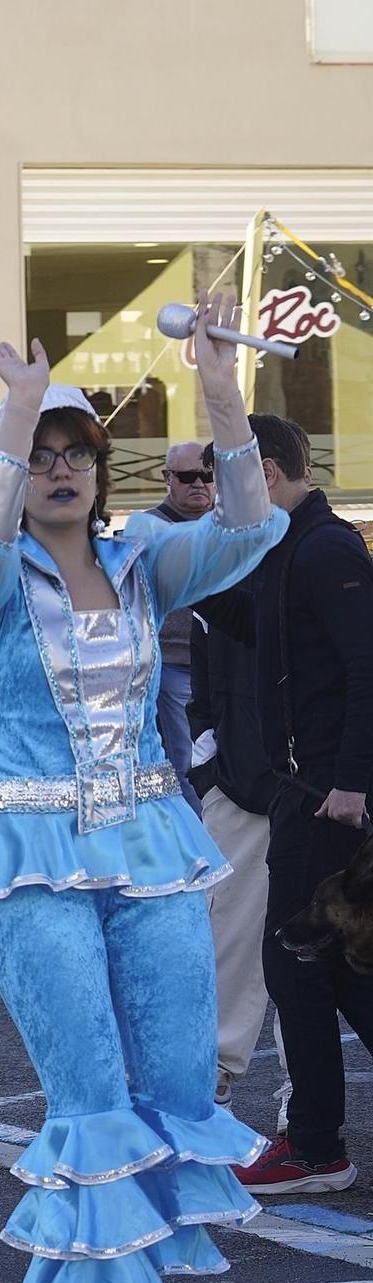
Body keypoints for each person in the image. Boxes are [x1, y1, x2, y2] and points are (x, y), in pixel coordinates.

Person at [0, 306, 283, 1283]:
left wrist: (218, 395)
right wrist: (13, 418)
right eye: (41, 456)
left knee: (173, 1084)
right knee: (87, 1092)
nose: (58, 469)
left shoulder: (144, 560)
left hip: (145, 846)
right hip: (27, 856)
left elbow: (251, 528)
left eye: (74, 452)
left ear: (100, 468)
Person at [237, 410, 373, 1196]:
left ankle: (316, 1146)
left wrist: (352, 782)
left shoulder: (325, 549)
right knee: (340, 966)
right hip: (308, 789)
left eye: (233, 476)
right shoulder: (288, 548)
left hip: (327, 795)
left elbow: (368, 668)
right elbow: (260, 635)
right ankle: (318, 1139)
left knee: (295, 960)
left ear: (270, 473)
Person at [185, 568, 274, 1105]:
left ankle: (304, 1097)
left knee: (310, 949)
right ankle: (210, 1083)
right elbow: (201, 680)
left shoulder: (320, 556)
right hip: (235, 783)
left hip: (314, 787)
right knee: (225, 937)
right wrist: (208, 763)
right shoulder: (214, 567)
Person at [126, 441, 217, 815]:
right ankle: (198, 836)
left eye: (207, 475)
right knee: (187, 754)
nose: (198, 484)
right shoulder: (145, 529)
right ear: (168, 478)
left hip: (231, 660)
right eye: (186, 476)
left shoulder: (229, 525)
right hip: (173, 661)